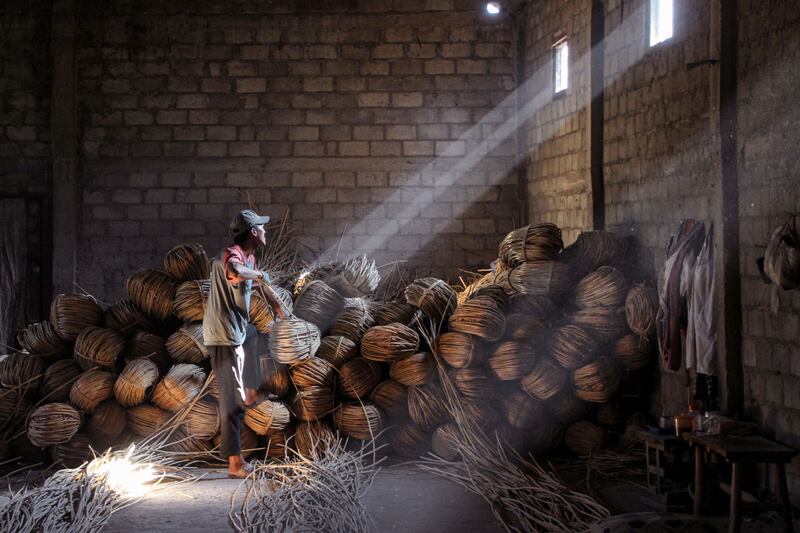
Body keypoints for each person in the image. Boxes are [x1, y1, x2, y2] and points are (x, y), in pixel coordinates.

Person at [203, 209, 288, 478]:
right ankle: (235, 463)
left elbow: (256, 281)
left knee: (252, 333)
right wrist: (260, 276)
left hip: (238, 331)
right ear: (253, 232)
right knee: (231, 400)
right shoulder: (231, 255)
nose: (265, 231)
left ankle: (251, 391)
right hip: (223, 337)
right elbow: (236, 271)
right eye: (262, 228)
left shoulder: (250, 257)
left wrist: (276, 305)